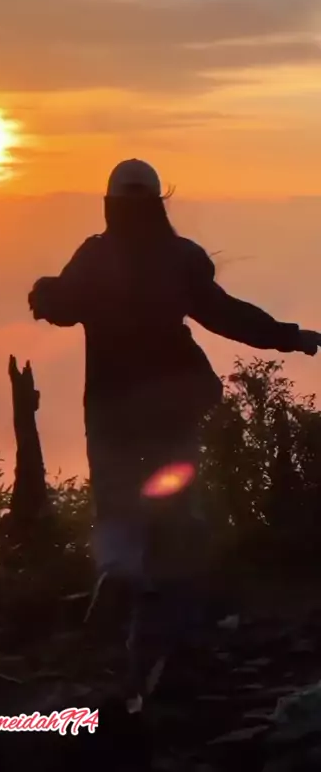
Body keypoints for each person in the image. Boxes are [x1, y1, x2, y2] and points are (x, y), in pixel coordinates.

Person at [28, 159, 321, 709]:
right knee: (178, 503)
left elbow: (59, 306)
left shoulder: (94, 257)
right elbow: (225, 315)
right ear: (159, 201)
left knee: (115, 505)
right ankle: (177, 627)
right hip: (174, 403)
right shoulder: (181, 258)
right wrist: (291, 337)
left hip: (111, 405)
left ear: (110, 204)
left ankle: (121, 577)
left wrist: (42, 292)